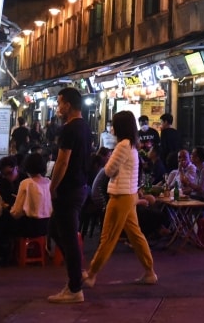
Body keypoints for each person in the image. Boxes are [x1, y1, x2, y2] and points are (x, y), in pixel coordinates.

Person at [81, 110, 157, 289]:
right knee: (135, 235)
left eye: (113, 124)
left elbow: (108, 170)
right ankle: (149, 272)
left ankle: (92, 274)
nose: (111, 128)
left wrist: (109, 162)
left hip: (120, 196)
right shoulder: (132, 145)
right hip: (128, 194)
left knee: (108, 237)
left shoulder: (122, 146)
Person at [47, 87, 92, 304]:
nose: (58, 107)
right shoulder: (85, 127)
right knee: (55, 229)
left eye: (59, 103)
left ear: (68, 105)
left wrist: (52, 186)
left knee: (69, 237)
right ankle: (78, 271)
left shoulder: (70, 129)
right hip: (80, 186)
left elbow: (62, 161)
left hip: (69, 188)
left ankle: (75, 288)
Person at [12, 151, 53, 237]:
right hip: (48, 227)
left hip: (30, 227)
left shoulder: (26, 183)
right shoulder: (50, 182)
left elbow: (16, 212)